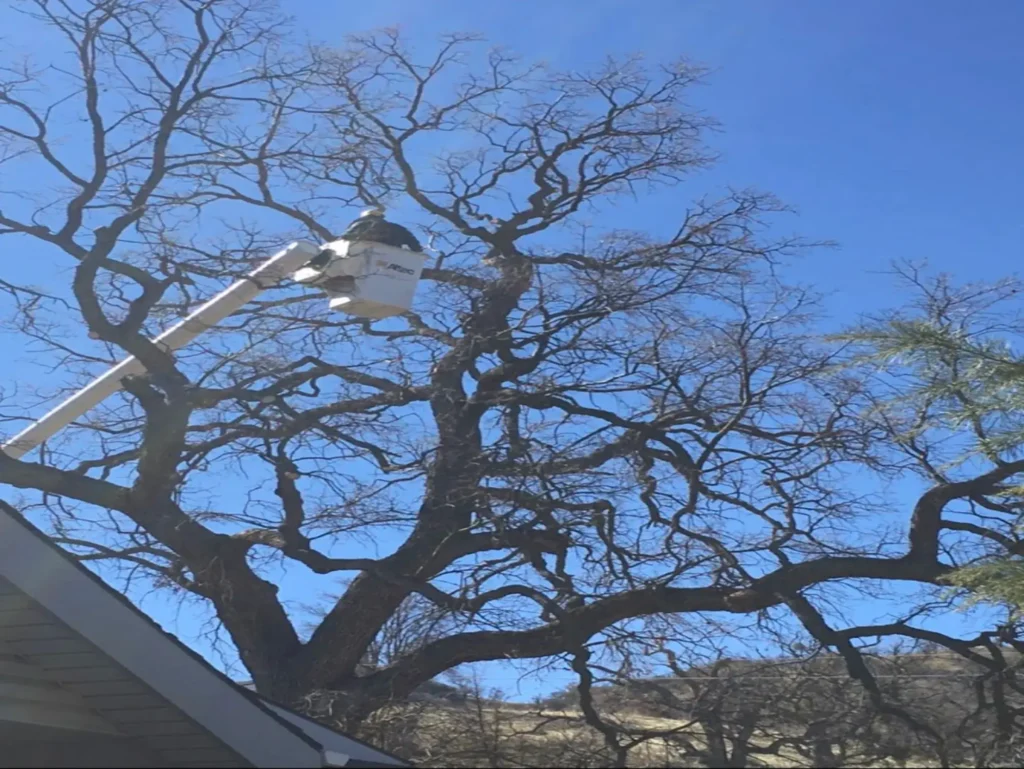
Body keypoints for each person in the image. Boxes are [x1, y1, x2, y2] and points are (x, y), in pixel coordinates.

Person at [337, 207, 423, 252]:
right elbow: (414, 244)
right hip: (389, 256)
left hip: (361, 253)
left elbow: (345, 237)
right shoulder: (397, 228)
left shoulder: (360, 224)